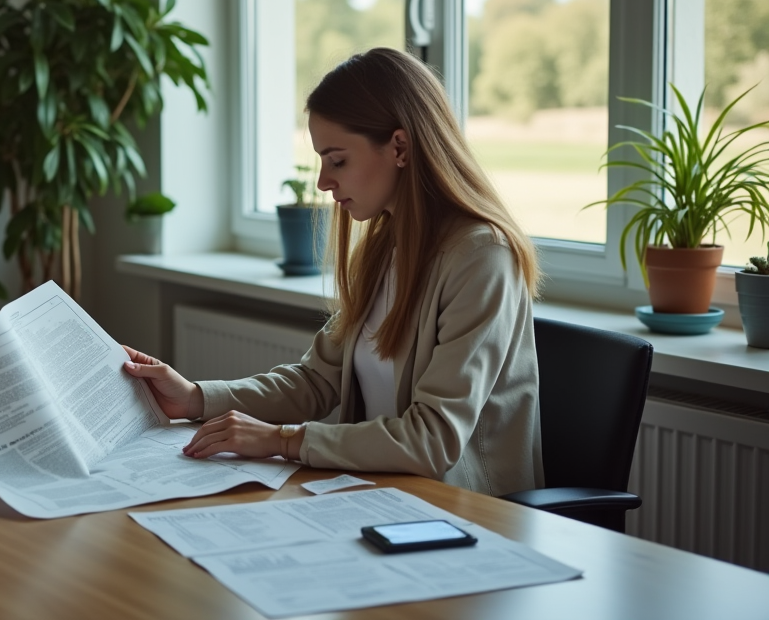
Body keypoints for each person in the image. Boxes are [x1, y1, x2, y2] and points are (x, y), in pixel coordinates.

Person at [123, 47, 544, 496]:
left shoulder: (482, 257)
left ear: (400, 147)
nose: (323, 181)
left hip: (464, 509)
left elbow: (433, 439)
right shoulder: (386, 246)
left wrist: (282, 440)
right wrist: (194, 398)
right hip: (383, 491)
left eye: (337, 160)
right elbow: (316, 380)